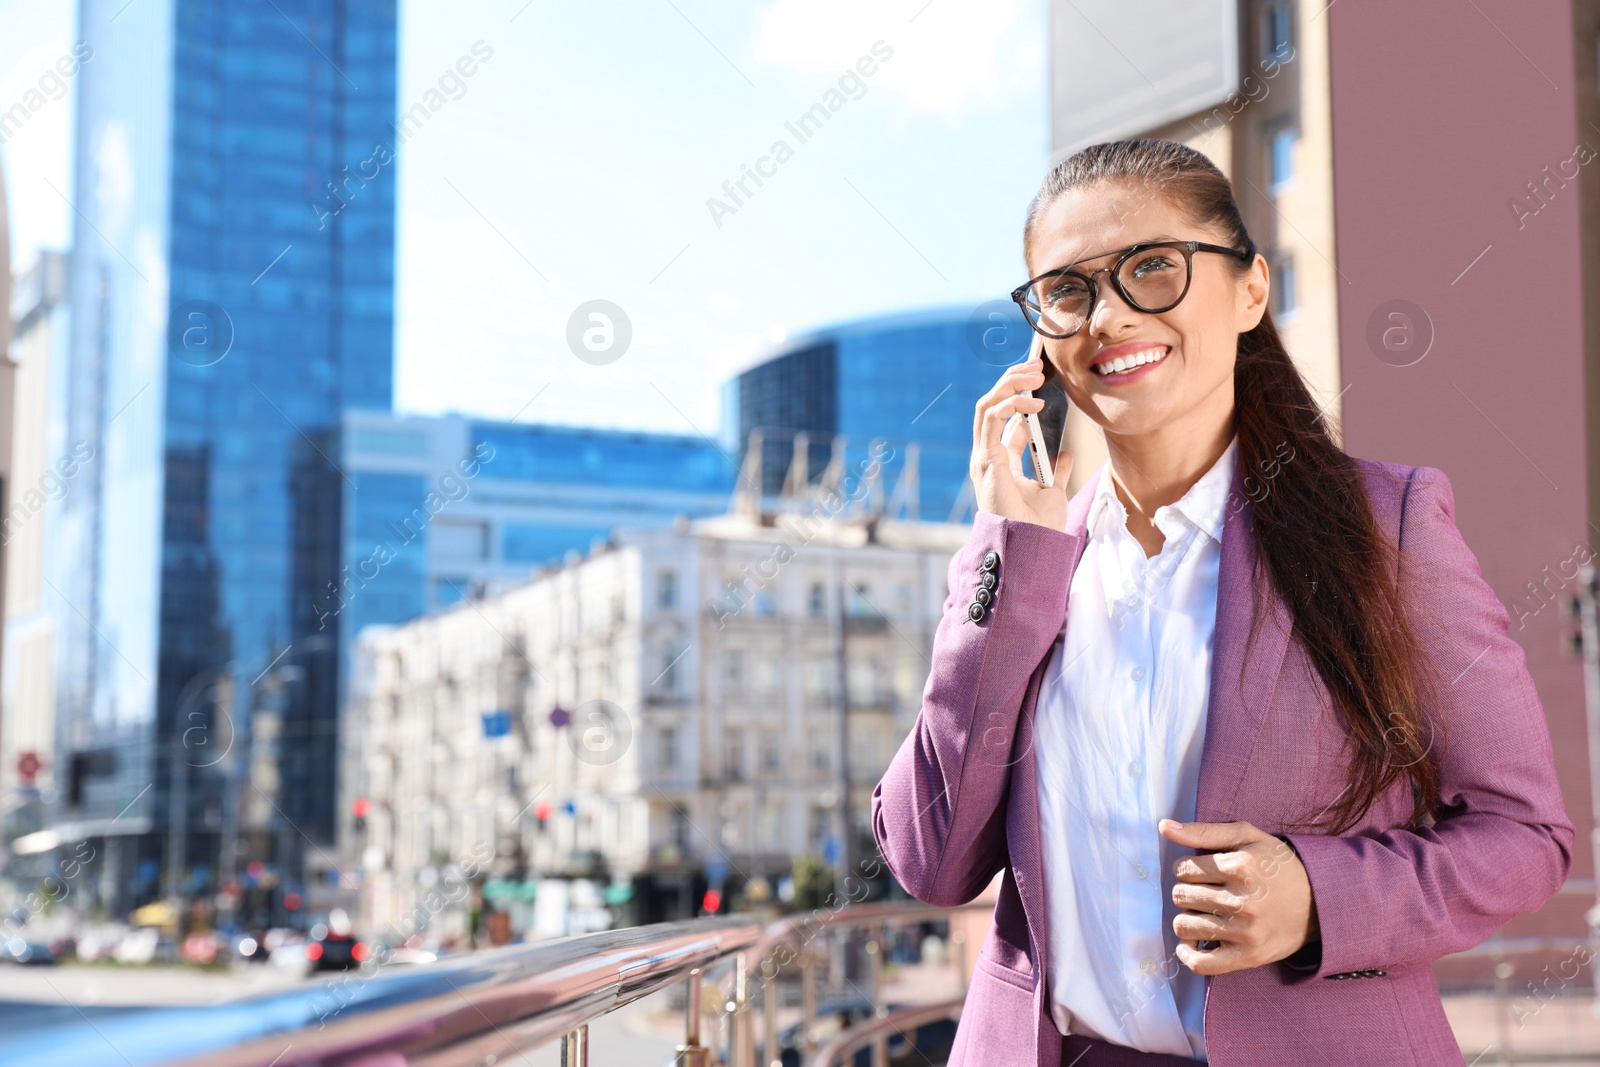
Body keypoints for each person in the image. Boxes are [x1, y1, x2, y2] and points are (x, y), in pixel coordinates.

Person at [870, 138, 1573, 1066]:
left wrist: (1320, 896)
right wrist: (1002, 560)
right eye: (1068, 290)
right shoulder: (1034, 561)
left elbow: (1525, 836)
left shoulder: (1388, 527)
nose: (1109, 315)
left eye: (1152, 267)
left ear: (1250, 290)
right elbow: (930, 860)